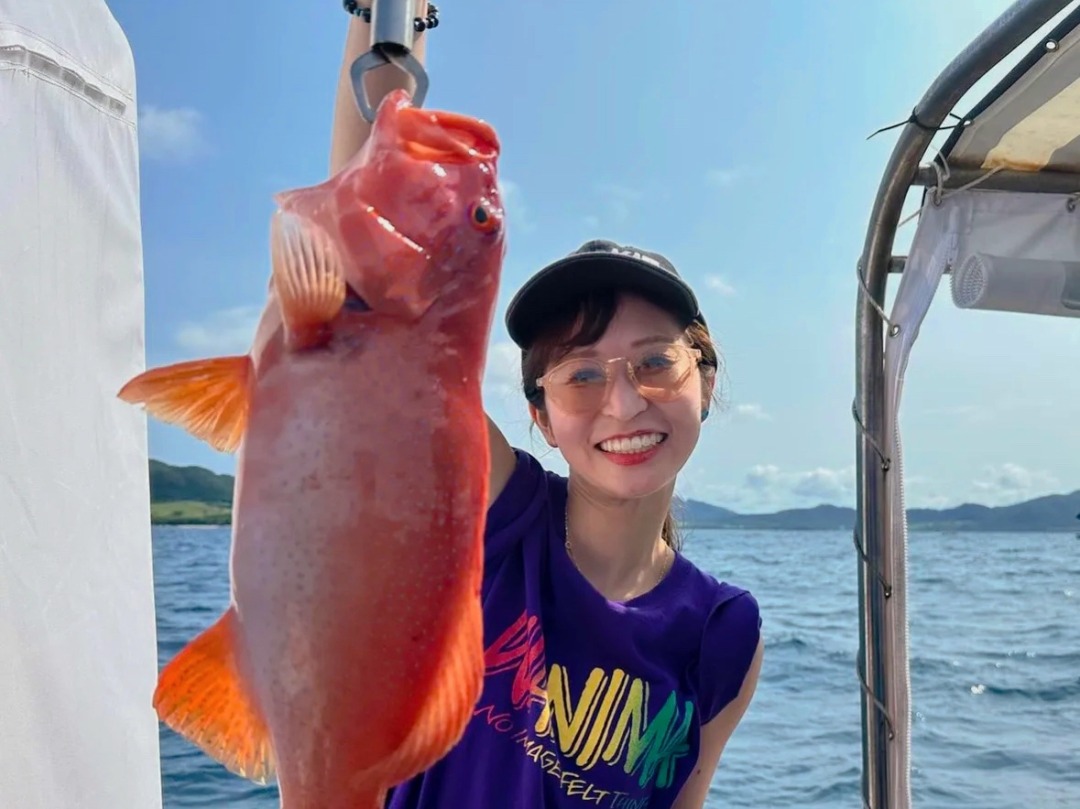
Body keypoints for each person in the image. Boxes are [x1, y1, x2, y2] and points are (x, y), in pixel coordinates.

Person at [330, 6, 764, 808]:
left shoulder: (725, 629)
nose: (625, 400)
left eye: (655, 362)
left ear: (704, 370)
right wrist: (389, 19)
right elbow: (372, 272)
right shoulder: (503, 516)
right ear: (539, 415)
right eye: (582, 376)